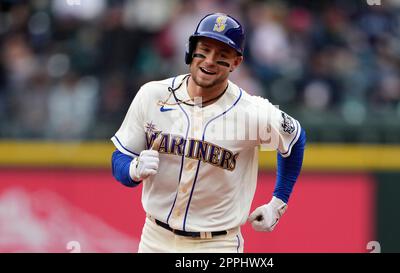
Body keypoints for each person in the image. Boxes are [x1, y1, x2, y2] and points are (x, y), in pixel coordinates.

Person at [111, 13, 306, 253]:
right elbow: (120, 158)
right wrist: (133, 169)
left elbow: (295, 138)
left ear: (236, 62)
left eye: (222, 55)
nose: (210, 60)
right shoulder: (152, 95)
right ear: (191, 51)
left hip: (216, 244)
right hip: (154, 237)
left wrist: (278, 203)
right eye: (205, 49)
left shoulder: (252, 111)